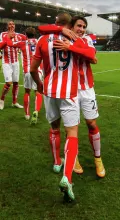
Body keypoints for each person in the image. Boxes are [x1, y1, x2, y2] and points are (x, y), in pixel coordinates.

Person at [30, 13, 96, 202]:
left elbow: (33, 69)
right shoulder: (76, 39)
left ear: (56, 23)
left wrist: (40, 86)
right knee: (72, 133)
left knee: (54, 128)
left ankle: (57, 162)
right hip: (69, 93)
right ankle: (67, 177)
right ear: (71, 25)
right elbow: (91, 56)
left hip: (50, 91)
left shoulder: (43, 39)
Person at [38, 16, 105, 178]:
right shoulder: (63, 37)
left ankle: (98, 158)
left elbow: (91, 53)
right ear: (71, 27)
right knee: (71, 126)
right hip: (69, 89)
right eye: (78, 26)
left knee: (91, 123)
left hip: (86, 88)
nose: (81, 29)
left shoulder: (86, 40)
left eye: (84, 26)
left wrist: (71, 48)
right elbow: (42, 28)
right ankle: (73, 158)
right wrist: (61, 29)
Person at [6, 27, 43, 123]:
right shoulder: (39, 42)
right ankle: (36, 111)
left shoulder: (22, 43)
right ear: (35, 34)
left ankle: (27, 114)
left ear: (26, 35)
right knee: (38, 92)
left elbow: (9, 44)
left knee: (27, 92)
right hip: (38, 70)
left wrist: (8, 36)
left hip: (27, 71)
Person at [0, 21, 26, 110]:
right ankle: (1, 100)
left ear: (15, 26)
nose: (11, 25)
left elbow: (28, 40)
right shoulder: (3, 34)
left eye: (13, 24)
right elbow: (0, 46)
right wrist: (8, 37)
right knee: (8, 83)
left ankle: (14, 102)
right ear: (7, 26)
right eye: (10, 24)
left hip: (15, 62)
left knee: (16, 83)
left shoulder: (19, 36)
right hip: (6, 62)